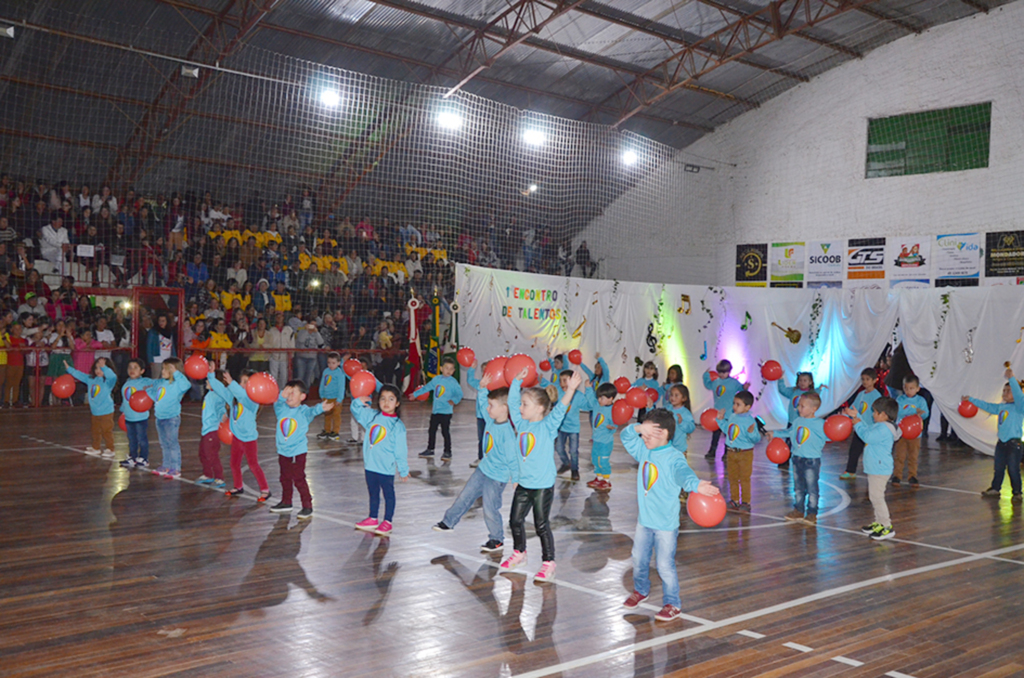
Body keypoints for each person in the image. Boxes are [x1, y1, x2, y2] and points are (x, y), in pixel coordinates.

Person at [621, 410, 719, 622]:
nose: (643, 437)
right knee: (638, 559)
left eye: (649, 433)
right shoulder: (644, 450)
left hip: (665, 525)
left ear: (664, 433)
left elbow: (683, 474)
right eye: (643, 433)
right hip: (644, 521)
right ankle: (641, 590)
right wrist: (639, 428)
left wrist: (696, 485)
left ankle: (673, 603)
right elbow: (625, 436)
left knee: (665, 565)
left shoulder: (673, 457)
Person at [499, 368, 581, 582]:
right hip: (524, 484)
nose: (520, 407)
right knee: (515, 520)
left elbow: (561, 408)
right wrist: (516, 383)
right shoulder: (521, 423)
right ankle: (520, 553)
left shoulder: (548, 426)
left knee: (541, 524)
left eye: (525, 404)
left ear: (540, 408)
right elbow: (512, 404)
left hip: (542, 485)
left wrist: (570, 389)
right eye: (521, 404)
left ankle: (548, 562)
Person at [433, 374, 517, 552]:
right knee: (465, 496)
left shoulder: (508, 434)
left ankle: (497, 539)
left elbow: (513, 460)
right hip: (483, 469)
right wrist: (482, 389)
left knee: (489, 507)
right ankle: (448, 522)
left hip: (497, 477)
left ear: (504, 408)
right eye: (488, 405)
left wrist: (516, 479)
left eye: (491, 406)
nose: (487, 408)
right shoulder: (491, 421)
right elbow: (480, 403)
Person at [352, 385, 409, 537]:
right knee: (373, 493)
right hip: (370, 466)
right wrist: (358, 401)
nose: (386, 402)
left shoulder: (398, 426)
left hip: (386, 468)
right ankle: (372, 518)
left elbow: (401, 450)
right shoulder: (372, 416)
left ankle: (388, 521)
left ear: (397, 403)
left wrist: (403, 470)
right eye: (383, 398)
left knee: (388, 495)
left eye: (391, 399)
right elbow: (356, 411)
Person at [270, 380, 332, 519]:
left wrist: (321, 407)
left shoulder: (303, 411)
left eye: (293, 393)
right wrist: (281, 395)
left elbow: (312, 411)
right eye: (288, 392)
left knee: (298, 478)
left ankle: (307, 505)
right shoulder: (281, 408)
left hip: (298, 451)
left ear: (302, 397)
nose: (289, 396)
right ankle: (286, 502)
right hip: (283, 451)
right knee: (284, 477)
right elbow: (277, 402)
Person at [208, 369, 271, 501]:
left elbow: (242, 396)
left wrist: (232, 384)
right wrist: (211, 375)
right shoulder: (234, 398)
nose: (243, 384)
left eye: (246, 382)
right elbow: (221, 390)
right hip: (237, 437)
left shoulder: (252, 401)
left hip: (249, 439)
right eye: (241, 382)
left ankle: (265, 490)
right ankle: (238, 486)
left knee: (253, 464)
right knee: (234, 463)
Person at [844, 397, 900, 540]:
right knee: (874, 497)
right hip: (876, 468)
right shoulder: (880, 426)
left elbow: (867, 436)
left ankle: (887, 526)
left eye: (875, 412)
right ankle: (879, 523)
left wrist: (857, 424)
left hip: (879, 469)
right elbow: (868, 429)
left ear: (884, 415)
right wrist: (858, 417)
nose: (873, 415)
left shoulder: (883, 429)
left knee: (877, 498)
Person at [967, 367, 1024, 502]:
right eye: (1004, 391)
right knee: (998, 468)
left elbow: (1019, 396)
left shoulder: (1019, 407)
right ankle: (995, 488)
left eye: (1008, 391)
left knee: (1013, 469)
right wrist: (971, 400)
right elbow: (987, 406)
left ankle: (1017, 492)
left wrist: (1012, 379)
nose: (1005, 393)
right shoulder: (1001, 407)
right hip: (1001, 443)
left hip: (1014, 444)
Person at [773, 392, 827, 525]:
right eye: (798, 406)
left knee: (812, 488)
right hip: (797, 458)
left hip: (811, 460)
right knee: (798, 487)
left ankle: (812, 512)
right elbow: (789, 433)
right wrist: (774, 433)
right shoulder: (797, 421)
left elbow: (830, 435)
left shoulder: (820, 424)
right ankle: (799, 509)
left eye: (802, 406)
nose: (798, 408)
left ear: (813, 409)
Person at [145, 357, 192, 478]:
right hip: (159, 418)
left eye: (166, 369)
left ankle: (175, 468)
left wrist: (176, 372)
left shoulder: (178, 385)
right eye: (163, 368)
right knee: (164, 443)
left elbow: (187, 385)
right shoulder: (162, 383)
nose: (162, 371)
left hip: (171, 419)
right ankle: (166, 465)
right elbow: (157, 397)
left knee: (172, 443)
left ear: (174, 370)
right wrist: (148, 391)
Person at [715, 390, 761, 512]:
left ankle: (746, 502)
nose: (734, 406)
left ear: (747, 407)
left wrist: (751, 433)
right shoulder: (732, 416)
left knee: (744, 478)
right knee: (732, 477)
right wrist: (720, 420)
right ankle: (734, 500)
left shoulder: (750, 421)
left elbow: (756, 438)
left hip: (745, 453)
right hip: (731, 452)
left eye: (738, 404)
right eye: (734, 403)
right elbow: (728, 430)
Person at [412, 356, 463, 461]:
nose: (448, 371)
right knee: (432, 430)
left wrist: (454, 400)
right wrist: (415, 394)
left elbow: (459, 394)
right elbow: (426, 388)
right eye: (446, 368)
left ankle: (447, 452)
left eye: (451, 369)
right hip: (436, 411)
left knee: (445, 432)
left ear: (453, 371)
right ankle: (430, 449)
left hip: (446, 412)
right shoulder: (436, 379)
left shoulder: (453, 382)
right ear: (441, 368)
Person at [66, 357, 118, 457]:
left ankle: (110, 448)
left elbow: (112, 377)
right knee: (95, 431)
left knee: (106, 431)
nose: (98, 371)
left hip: (106, 411)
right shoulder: (91, 379)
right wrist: (69, 369)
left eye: (101, 368)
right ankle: (96, 447)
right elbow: (80, 375)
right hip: (95, 411)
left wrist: (105, 368)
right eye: (97, 368)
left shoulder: (108, 382)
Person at [840, 367, 882, 480]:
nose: (864, 382)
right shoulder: (861, 394)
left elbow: (879, 412)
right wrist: (848, 413)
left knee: (872, 453)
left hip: (871, 429)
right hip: (860, 428)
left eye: (867, 379)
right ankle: (850, 471)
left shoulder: (876, 396)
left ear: (874, 380)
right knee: (854, 450)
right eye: (863, 379)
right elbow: (855, 407)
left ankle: (876, 472)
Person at [702, 360, 747, 459]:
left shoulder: (733, 382)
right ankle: (712, 451)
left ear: (729, 371)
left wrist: (745, 387)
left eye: (724, 372)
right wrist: (706, 374)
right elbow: (707, 384)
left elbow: (741, 388)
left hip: (729, 414)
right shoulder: (715, 382)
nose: (721, 374)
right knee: (716, 434)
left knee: (728, 434)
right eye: (720, 372)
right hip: (717, 414)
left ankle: (727, 452)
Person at [892, 375, 928, 487]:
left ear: (918, 389)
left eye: (911, 388)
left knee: (913, 456)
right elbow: (897, 413)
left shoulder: (921, 400)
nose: (908, 391)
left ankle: (912, 476)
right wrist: (913, 410)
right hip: (901, 433)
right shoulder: (900, 400)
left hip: (916, 434)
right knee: (899, 455)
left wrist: (921, 413)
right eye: (906, 388)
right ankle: (897, 475)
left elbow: (926, 414)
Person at [119, 358, 155, 469]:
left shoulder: (145, 381)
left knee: (142, 439)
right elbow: (126, 399)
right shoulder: (127, 383)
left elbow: (157, 384)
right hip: (129, 417)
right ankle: (133, 457)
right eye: (130, 367)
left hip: (140, 417)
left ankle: (144, 458)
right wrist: (123, 411)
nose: (132, 370)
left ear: (142, 371)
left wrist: (149, 389)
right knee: (132, 439)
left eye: (135, 368)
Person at [195, 369, 228, 488]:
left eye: (209, 380)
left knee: (212, 454)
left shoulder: (217, 396)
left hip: (213, 431)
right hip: (206, 430)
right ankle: (208, 474)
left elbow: (220, 408)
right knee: (203, 453)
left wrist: (222, 415)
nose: (206, 382)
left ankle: (219, 477)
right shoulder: (210, 395)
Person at [583, 381, 618, 491]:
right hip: (596, 440)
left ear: (610, 398)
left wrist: (612, 427)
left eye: (602, 398)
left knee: (603, 461)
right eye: (598, 397)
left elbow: (617, 421)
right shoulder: (597, 405)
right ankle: (598, 478)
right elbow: (590, 398)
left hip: (606, 442)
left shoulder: (613, 410)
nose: (599, 400)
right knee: (595, 460)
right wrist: (588, 388)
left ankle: (606, 481)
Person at [317, 352, 346, 442]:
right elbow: (323, 383)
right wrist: (321, 393)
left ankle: (335, 431)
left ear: (338, 363)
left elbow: (341, 386)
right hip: (326, 397)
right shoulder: (326, 371)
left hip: (335, 398)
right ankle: (327, 430)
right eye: (329, 363)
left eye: (333, 363)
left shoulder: (339, 373)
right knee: (327, 415)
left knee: (336, 415)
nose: (331, 365)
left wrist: (339, 399)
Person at [465, 359, 488, 468]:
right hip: (480, 417)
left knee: (492, 438)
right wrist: (472, 369)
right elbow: (470, 380)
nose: (484, 373)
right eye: (483, 371)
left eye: (487, 370)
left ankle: (492, 459)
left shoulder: (497, 384)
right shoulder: (479, 383)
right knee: (481, 439)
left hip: (492, 417)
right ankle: (481, 458)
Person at [267, 312, 294, 387]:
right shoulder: (271, 330)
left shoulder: (289, 330)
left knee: (284, 377)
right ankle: (273, 393)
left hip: (285, 357)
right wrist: (269, 356)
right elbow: (269, 343)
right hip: (274, 356)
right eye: (277, 316)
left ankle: (282, 394)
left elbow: (292, 343)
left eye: (281, 316)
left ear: (283, 317)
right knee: (273, 376)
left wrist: (291, 356)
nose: (279, 318)